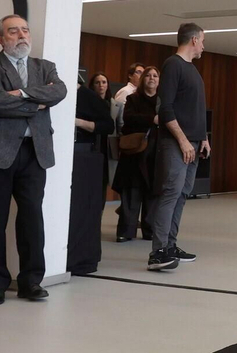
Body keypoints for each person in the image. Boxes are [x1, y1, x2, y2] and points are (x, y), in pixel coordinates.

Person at [0, 15, 67, 306]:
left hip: (35, 152)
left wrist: (22, 94)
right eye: (13, 32)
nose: (22, 35)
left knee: (31, 219)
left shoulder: (44, 66)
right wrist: (37, 102)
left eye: (25, 30)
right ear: (1, 39)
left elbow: (59, 91)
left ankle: (31, 282)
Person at [146, 25, 209, 272]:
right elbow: (166, 109)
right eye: (202, 41)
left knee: (182, 195)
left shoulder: (191, 69)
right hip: (176, 143)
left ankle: (170, 246)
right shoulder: (173, 65)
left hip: (193, 143)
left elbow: (194, 108)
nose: (204, 45)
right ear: (194, 40)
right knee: (170, 194)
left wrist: (202, 137)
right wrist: (183, 140)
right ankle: (158, 252)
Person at [112, 65, 159, 242]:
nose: (152, 78)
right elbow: (128, 121)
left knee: (152, 193)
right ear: (142, 79)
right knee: (131, 193)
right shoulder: (133, 99)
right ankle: (126, 231)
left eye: (155, 76)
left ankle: (150, 231)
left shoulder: (163, 102)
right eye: (148, 76)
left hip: (155, 154)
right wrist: (151, 120)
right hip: (134, 154)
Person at [76, 72, 114, 152]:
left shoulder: (90, 97)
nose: (101, 85)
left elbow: (110, 126)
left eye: (104, 82)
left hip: (102, 143)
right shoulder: (86, 96)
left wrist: (79, 122)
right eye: (97, 82)